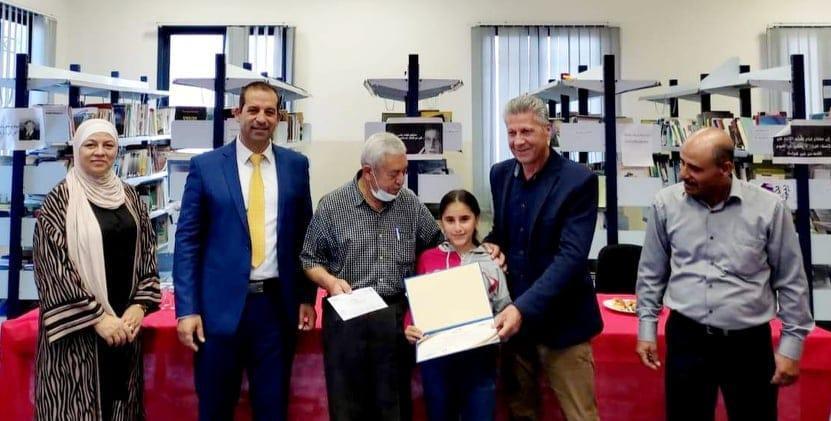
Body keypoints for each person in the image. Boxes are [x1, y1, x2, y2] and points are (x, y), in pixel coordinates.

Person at [635, 127, 814, 421]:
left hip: (748, 345)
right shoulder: (665, 204)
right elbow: (651, 273)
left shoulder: (768, 209)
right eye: (682, 163)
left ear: (726, 168)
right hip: (687, 338)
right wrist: (646, 330)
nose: (683, 174)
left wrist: (791, 347)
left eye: (695, 168)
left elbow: (792, 281)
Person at [173, 81, 316, 421]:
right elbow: (188, 241)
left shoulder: (296, 166)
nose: (261, 118)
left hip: (275, 310)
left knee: (272, 409)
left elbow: (304, 237)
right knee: (216, 408)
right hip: (217, 312)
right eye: (253, 110)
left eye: (270, 111)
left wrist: (306, 296)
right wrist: (187, 309)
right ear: (237, 113)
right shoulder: (206, 167)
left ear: (279, 117)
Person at [300, 132, 444, 421]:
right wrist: (330, 282)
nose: (401, 180)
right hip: (347, 315)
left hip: (395, 316)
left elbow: (436, 246)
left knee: (394, 406)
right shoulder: (333, 206)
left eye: (404, 171)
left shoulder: (409, 204)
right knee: (348, 405)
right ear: (368, 172)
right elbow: (309, 259)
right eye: (393, 174)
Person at [32, 118, 161, 420]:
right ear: (77, 149)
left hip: (124, 328)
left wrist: (139, 306)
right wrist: (98, 319)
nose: (100, 152)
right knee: (74, 407)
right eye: (90, 144)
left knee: (121, 404)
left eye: (108, 145)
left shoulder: (131, 198)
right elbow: (52, 269)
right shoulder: (59, 203)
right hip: (78, 335)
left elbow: (147, 254)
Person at [485, 94, 602, 421]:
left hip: (563, 325)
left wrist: (521, 308)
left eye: (527, 131)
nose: (518, 141)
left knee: (580, 415)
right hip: (515, 327)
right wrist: (491, 246)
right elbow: (502, 232)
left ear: (548, 131)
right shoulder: (500, 174)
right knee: (521, 412)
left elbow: (571, 258)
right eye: (511, 133)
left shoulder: (579, 180)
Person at [404, 189, 510, 421]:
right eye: (450, 220)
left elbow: (504, 308)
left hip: (479, 361)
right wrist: (409, 326)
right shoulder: (427, 258)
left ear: (477, 219)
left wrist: (499, 327)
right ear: (440, 223)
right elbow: (415, 306)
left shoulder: (491, 261)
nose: (458, 227)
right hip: (437, 361)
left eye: (465, 219)